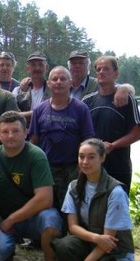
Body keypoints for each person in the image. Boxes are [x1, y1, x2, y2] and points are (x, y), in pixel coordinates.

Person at [0, 111, 63, 261]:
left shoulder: (36, 155)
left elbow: (45, 198)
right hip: (3, 218)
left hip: (34, 217)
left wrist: (11, 220)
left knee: (50, 221)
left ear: (25, 132)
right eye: (5, 131)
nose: (10, 136)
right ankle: (8, 254)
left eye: (15, 131)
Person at [52, 138, 136, 261]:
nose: (85, 162)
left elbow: (108, 243)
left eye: (91, 157)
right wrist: (96, 238)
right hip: (94, 243)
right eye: (81, 156)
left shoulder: (115, 191)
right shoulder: (74, 187)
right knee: (63, 245)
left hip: (114, 253)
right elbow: (73, 227)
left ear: (102, 158)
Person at [28, 66, 94, 214]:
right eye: (55, 79)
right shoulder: (39, 110)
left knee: (73, 207)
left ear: (70, 83)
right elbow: (33, 139)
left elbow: (88, 140)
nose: (59, 82)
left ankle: (72, 235)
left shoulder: (81, 108)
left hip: (73, 168)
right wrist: (33, 167)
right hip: (47, 167)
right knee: (49, 207)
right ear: (49, 83)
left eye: (63, 79)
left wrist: (83, 166)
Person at [82, 56, 140, 193]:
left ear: (116, 73)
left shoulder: (127, 100)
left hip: (118, 167)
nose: (101, 72)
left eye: (106, 69)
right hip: (91, 167)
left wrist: (112, 145)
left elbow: (136, 134)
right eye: (98, 69)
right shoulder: (87, 101)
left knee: (118, 208)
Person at [67, 50, 134, 107]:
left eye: (81, 63)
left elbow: (127, 88)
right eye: (74, 63)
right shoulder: (63, 86)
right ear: (69, 67)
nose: (77, 66)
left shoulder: (97, 84)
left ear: (88, 67)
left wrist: (123, 89)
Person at [13, 51, 51, 124]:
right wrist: (41, 112)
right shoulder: (18, 91)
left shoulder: (54, 90)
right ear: (27, 68)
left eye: (40, 65)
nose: (37, 68)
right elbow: (12, 115)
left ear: (46, 68)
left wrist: (26, 115)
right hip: (24, 133)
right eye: (33, 65)